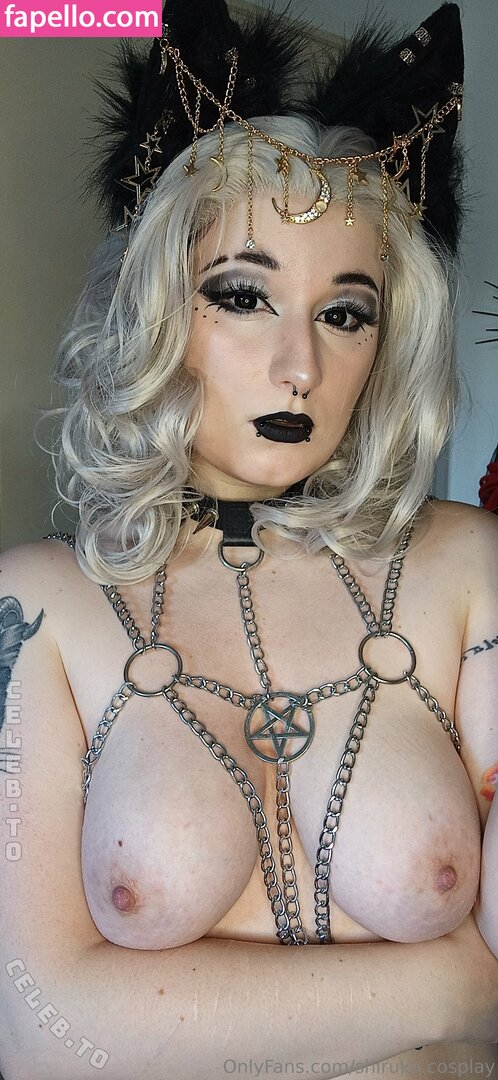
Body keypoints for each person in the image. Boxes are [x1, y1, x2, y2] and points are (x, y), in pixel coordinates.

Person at [1, 2, 497, 1078]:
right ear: (153, 308)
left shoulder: (470, 570)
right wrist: (458, 988)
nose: (300, 368)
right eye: (242, 296)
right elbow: (39, 1030)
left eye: (345, 313)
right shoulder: (35, 607)